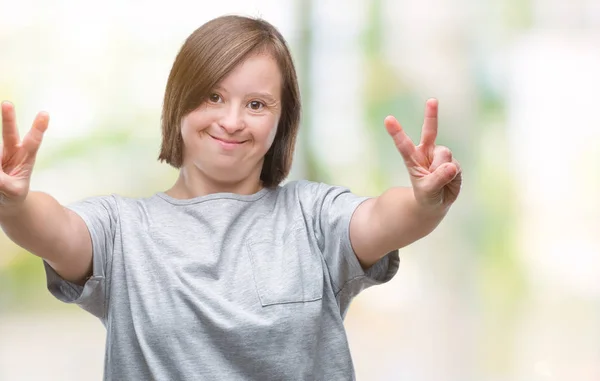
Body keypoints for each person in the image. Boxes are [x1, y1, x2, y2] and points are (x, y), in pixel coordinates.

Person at [0, 15, 462, 381]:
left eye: (257, 104)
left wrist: (423, 202)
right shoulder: (121, 229)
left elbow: (383, 218)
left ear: (282, 121)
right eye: (213, 97)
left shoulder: (313, 216)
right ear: (178, 103)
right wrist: (14, 203)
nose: (233, 120)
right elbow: (55, 230)